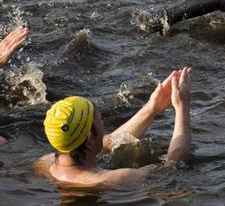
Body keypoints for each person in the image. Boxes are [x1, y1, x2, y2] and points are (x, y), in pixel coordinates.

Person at [34, 67, 192, 188]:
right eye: (100, 119)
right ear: (89, 137)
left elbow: (108, 143)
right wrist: (182, 107)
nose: (103, 124)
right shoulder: (115, 179)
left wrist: (152, 109)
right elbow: (174, 166)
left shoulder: (44, 165)